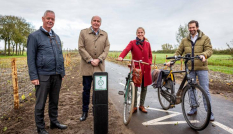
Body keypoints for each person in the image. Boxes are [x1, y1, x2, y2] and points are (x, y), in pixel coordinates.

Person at [27, 10, 67, 134]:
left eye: (53, 19)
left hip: (56, 75)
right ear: (43, 19)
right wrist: (34, 76)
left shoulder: (56, 37)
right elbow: (30, 58)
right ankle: (40, 128)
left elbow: (60, 55)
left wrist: (62, 72)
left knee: (54, 101)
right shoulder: (34, 36)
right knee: (40, 103)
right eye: (48, 18)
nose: (50, 21)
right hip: (42, 75)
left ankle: (54, 122)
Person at [166, 20, 215, 121]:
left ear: (197, 27)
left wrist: (204, 55)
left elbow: (209, 50)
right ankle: (193, 108)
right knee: (191, 89)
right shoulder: (185, 40)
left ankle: (209, 112)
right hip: (190, 69)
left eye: (193, 27)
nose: (191, 29)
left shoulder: (205, 38)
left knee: (205, 90)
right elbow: (178, 52)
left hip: (201, 67)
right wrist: (172, 61)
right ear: (188, 28)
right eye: (190, 28)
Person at [78, 16, 110, 121]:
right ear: (91, 22)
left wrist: (99, 59)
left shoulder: (104, 34)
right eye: (94, 21)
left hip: (99, 68)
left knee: (98, 91)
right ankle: (84, 112)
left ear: (100, 23)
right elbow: (81, 48)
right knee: (86, 90)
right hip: (87, 67)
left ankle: (96, 110)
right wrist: (90, 59)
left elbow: (106, 48)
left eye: (98, 21)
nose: (96, 23)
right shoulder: (83, 33)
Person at [117, 27, 152, 113]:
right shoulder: (132, 43)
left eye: (142, 32)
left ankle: (141, 105)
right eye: (138, 33)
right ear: (136, 34)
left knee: (144, 87)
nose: (140, 34)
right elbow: (126, 50)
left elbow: (150, 55)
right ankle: (134, 106)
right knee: (135, 87)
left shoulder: (147, 44)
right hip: (136, 68)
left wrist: (149, 62)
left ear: (144, 33)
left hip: (146, 68)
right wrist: (121, 56)